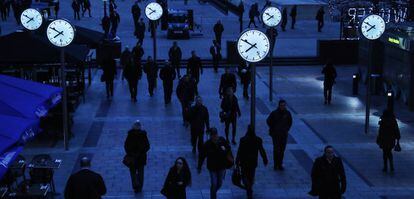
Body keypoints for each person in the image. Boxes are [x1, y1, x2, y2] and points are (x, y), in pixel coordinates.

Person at [197, 128, 231, 199]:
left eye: (215, 135)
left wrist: (225, 150)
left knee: (219, 183)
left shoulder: (222, 141)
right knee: (214, 183)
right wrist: (199, 166)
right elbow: (202, 156)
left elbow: (228, 150)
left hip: (222, 166)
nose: (215, 137)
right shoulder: (207, 144)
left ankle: (213, 192)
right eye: (213, 135)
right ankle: (213, 197)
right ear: (210, 136)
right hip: (212, 168)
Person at [236, 125, 268, 199]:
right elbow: (261, 150)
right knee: (251, 176)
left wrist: (237, 161)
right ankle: (249, 188)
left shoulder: (243, 139)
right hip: (253, 162)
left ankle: (248, 188)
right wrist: (265, 159)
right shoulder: (258, 140)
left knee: (244, 176)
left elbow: (239, 151)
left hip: (244, 161)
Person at [124, 120, 150, 193]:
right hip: (141, 158)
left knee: (133, 173)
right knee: (141, 172)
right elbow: (147, 146)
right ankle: (140, 186)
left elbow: (126, 146)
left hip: (132, 158)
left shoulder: (130, 134)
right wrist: (142, 152)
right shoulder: (143, 135)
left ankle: (135, 186)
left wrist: (129, 153)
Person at [266, 99, 292, 170]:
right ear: (279, 105)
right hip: (276, 135)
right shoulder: (274, 113)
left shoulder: (287, 113)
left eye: (284, 105)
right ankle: (275, 164)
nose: (282, 107)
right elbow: (268, 121)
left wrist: (286, 129)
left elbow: (290, 122)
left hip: (284, 134)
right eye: (281, 105)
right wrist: (273, 128)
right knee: (276, 149)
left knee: (282, 150)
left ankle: (280, 164)